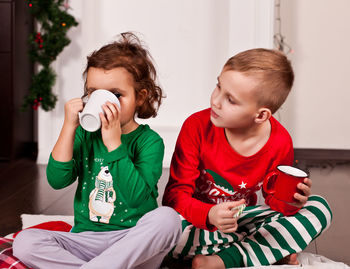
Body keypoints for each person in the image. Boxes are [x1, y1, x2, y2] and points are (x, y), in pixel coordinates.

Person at [13, 32, 181, 269]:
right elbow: (57, 180)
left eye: (115, 95)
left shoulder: (149, 142)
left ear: (139, 97)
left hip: (134, 243)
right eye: (94, 93)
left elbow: (135, 198)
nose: (104, 103)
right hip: (87, 241)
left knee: (168, 219)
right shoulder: (85, 135)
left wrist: (114, 143)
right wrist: (69, 126)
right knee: (25, 242)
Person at [162, 48, 332, 269]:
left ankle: (223, 259)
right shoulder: (196, 126)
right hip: (196, 221)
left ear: (261, 115)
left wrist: (292, 202)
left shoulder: (280, 141)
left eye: (230, 100)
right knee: (164, 227)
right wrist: (209, 214)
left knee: (319, 208)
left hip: (240, 221)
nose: (216, 101)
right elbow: (175, 197)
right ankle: (264, 250)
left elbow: (274, 203)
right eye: (218, 86)